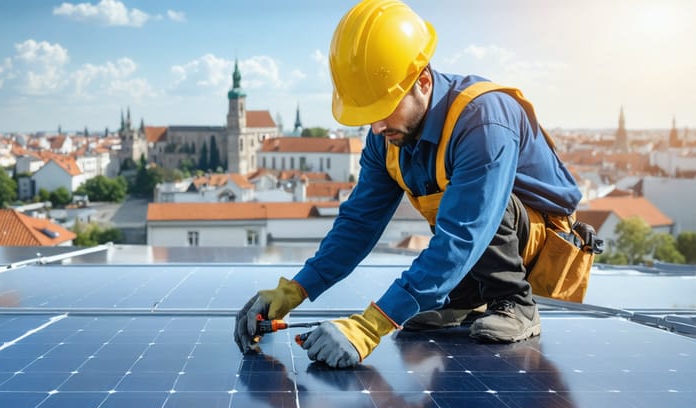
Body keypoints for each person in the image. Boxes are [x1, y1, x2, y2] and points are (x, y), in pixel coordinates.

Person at [235, 0, 598, 368]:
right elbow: (358, 224)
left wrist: (371, 325)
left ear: (422, 82)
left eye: (382, 110)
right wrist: (294, 290)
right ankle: (461, 303)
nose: (375, 127)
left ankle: (515, 303)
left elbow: (464, 233)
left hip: (534, 248)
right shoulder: (387, 137)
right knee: (452, 214)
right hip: (470, 249)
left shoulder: (482, 121)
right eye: (367, 115)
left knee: (483, 206)